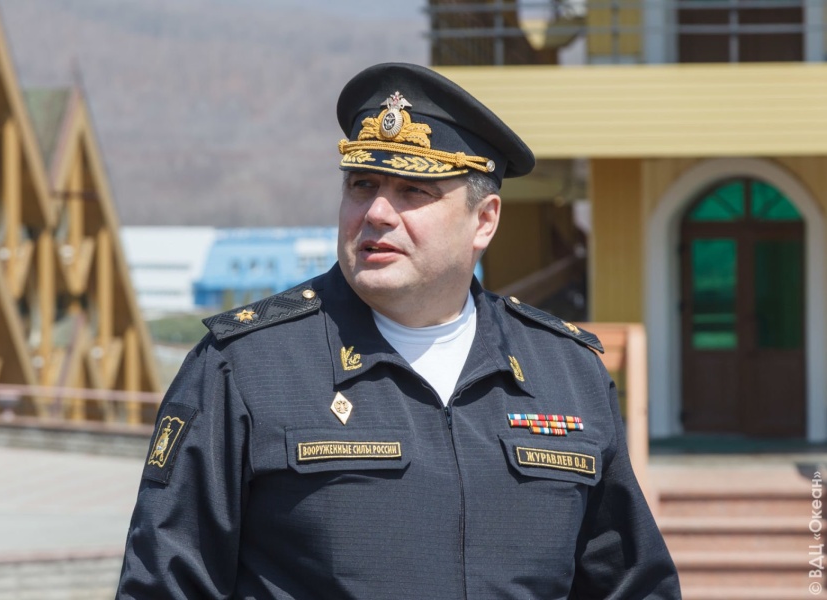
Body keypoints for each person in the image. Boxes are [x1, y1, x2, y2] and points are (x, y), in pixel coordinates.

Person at [117, 62, 681, 599]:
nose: (377, 213)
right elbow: (165, 584)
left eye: (414, 191)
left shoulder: (568, 372)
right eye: (362, 185)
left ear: (484, 221)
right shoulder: (245, 367)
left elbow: (632, 585)